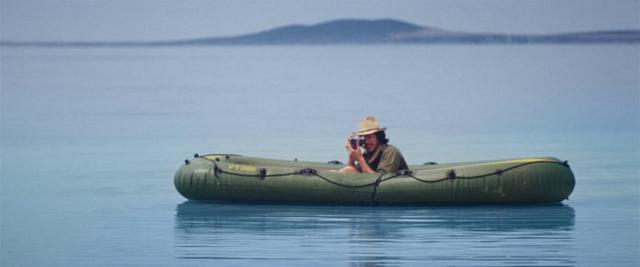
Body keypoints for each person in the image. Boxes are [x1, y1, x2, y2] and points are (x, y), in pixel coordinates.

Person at [340, 116, 408, 174]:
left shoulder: (390, 151)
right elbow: (352, 171)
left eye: (369, 137)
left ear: (378, 137)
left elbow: (380, 180)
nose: (366, 142)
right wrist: (352, 155)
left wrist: (360, 159)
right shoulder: (368, 154)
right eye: (364, 138)